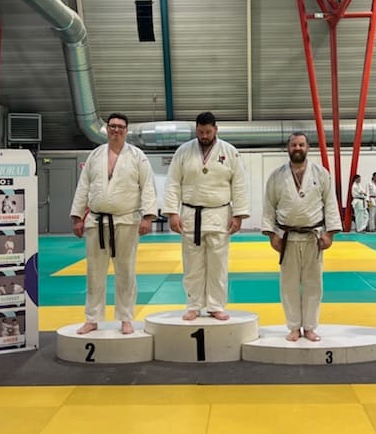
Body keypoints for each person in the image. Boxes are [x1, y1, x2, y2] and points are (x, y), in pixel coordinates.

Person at [70, 112, 157, 335]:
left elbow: (147, 187)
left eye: (120, 127)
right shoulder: (95, 155)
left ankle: (126, 318)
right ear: (107, 129)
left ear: (126, 131)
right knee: (94, 272)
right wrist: (77, 217)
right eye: (112, 126)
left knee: (126, 271)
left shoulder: (137, 156)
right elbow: (83, 187)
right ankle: (92, 318)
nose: (116, 130)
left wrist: (147, 217)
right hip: (96, 221)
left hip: (126, 220)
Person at [162, 111, 249, 321]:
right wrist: (172, 213)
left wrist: (238, 215)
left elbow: (239, 184)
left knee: (218, 264)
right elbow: (173, 183)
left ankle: (215, 305)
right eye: (200, 132)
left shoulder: (230, 152)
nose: (204, 136)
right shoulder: (184, 151)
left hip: (220, 214)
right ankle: (194, 305)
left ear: (215, 129)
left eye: (208, 132)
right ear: (196, 130)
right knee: (192, 264)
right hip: (190, 214)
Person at [262, 132, 342, 341]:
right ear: (288, 148)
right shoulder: (277, 176)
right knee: (288, 284)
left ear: (308, 147)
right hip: (286, 238)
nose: (297, 148)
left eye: (301, 145)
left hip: (313, 237)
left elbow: (331, 203)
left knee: (313, 284)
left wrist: (330, 234)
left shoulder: (321, 173)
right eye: (294, 145)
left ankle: (310, 327)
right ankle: (294, 327)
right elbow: (269, 206)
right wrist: (271, 235)